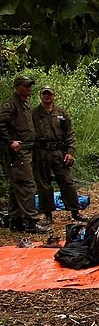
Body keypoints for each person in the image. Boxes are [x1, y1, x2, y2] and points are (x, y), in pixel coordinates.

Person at [0, 76, 47, 233]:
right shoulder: (11, 104)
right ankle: (30, 221)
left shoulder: (23, 104)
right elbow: (1, 123)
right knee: (27, 185)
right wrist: (10, 142)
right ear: (17, 86)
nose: (29, 89)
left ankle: (16, 220)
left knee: (16, 186)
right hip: (17, 151)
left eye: (30, 86)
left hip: (26, 149)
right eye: (26, 86)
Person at [32, 85, 82, 224]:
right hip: (40, 152)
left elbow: (70, 133)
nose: (47, 97)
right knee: (44, 184)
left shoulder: (61, 113)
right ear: (40, 96)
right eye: (44, 94)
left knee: (67, 181)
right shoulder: (34, 114)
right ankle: (48, 214)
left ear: (54, 95)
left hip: (58, 152)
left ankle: (75, 211)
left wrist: (70, 152)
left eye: (49, 94)